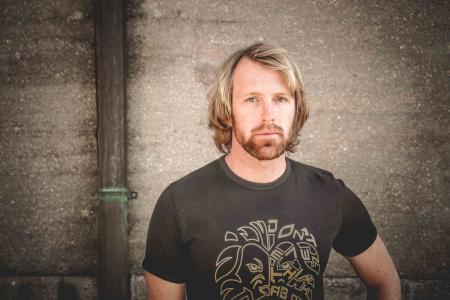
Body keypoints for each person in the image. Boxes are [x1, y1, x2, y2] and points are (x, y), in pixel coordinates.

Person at [142, 42, 401, 300]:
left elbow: (384, 282)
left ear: (295, 109)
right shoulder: (179, 202)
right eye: (252, 99)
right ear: (228, 111)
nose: (268, 115)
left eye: (280, 99)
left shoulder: (331, 195)